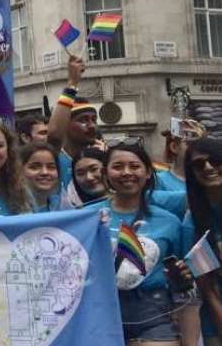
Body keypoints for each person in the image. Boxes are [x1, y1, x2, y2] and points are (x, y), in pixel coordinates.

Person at [85, 140, 189, 346]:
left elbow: (183, 276)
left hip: (154, 312)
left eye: (134, 166)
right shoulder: (86, 217)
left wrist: (181, 276)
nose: (126, 172)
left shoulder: (170, 222)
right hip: (98, 310)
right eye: (117, 167)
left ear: (148, 172)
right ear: (105, 173)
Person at [182, 136, 222, 343]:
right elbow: (208, 290)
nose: (208, 167)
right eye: (198, 165)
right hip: (216, 324)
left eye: (215, 160)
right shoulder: (192, 224)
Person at [47, 56, 99, 188]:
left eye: (94, 120)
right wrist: (72, 83)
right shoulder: (52, 160)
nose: (92, 126)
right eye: (83, 120)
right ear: (65, 125)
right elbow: (54, 135)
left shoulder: (103, 159)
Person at [20, 143, 62, 212]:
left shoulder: (62, 205)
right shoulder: (11, 208)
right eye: (34, 167)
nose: (44, 172)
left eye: (51, 167)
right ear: (19, 171)